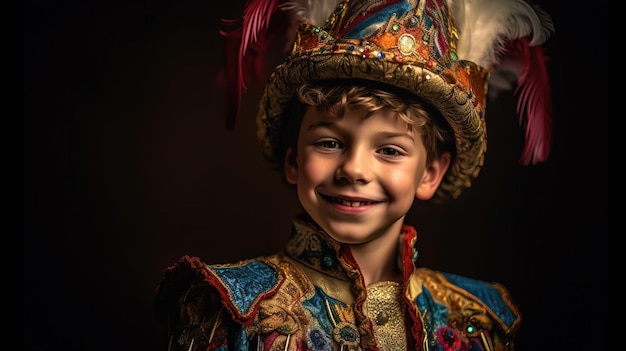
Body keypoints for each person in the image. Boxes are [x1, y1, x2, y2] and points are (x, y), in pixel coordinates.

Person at [154, 0, 554, 350]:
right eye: (329, 143)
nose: (354, 169)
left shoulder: (480, 320)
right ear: (293, 160)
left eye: (390, 150)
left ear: (430, 173)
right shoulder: (232, 309)